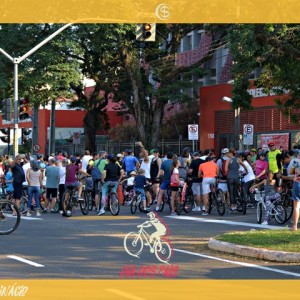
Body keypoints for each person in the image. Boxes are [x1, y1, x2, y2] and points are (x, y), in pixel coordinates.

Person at [224, 148, 247, 212]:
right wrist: (246, 172)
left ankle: (232, 206)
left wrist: (227, 175)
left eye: (228, 153)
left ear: (230, 153)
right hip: (237, 178)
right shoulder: (238, 159)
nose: (227, 154)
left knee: (231, 192)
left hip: (230, 178)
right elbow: (244, 165)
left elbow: (225, 169)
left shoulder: (228, 160)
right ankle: (238, 201)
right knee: (235, 191)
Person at [288, 156, 300, 230]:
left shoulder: (296, 161)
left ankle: (295, 226)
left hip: (298, 183)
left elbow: (290, 172)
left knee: (296, 206)